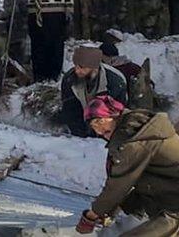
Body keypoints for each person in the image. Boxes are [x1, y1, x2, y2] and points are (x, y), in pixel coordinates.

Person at [75, 95, 179, 236]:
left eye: (100, 121)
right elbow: (134, 185)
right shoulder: (137, 132)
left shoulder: (136, 141)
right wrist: (111, 211)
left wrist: (92, 215)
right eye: (93, 125)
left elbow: (118, 186)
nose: (98, 130)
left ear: (115, 116)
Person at [60, 46, 127, 137]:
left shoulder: (115, 82)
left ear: (94, 68)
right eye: (76, 66)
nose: (77, 71)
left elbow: (118, 113)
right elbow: (70, 110)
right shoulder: (70, 79)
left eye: (82, 67)